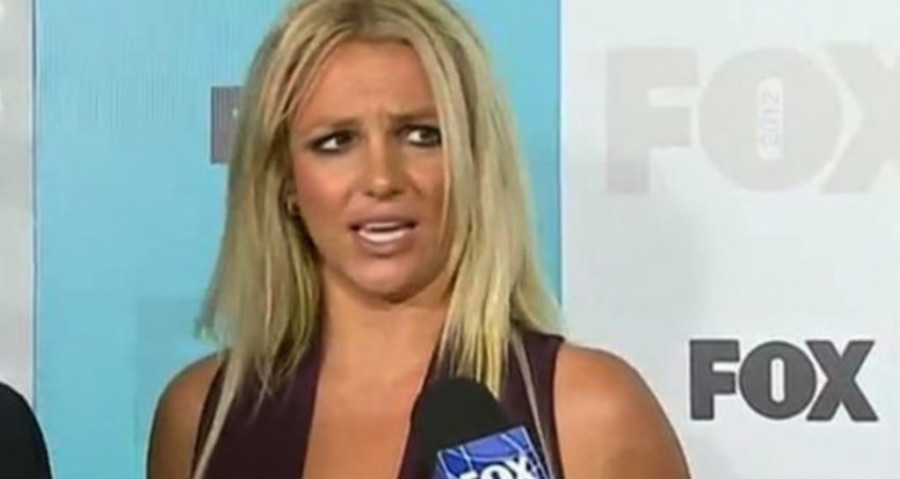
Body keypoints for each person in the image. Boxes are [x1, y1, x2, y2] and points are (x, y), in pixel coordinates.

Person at [148, 0, 690, 477]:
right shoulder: (199, 419)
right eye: (336, 142)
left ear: (474, 162)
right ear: (285, 180)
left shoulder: (590, 414)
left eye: (421, 136)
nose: (382, 179)